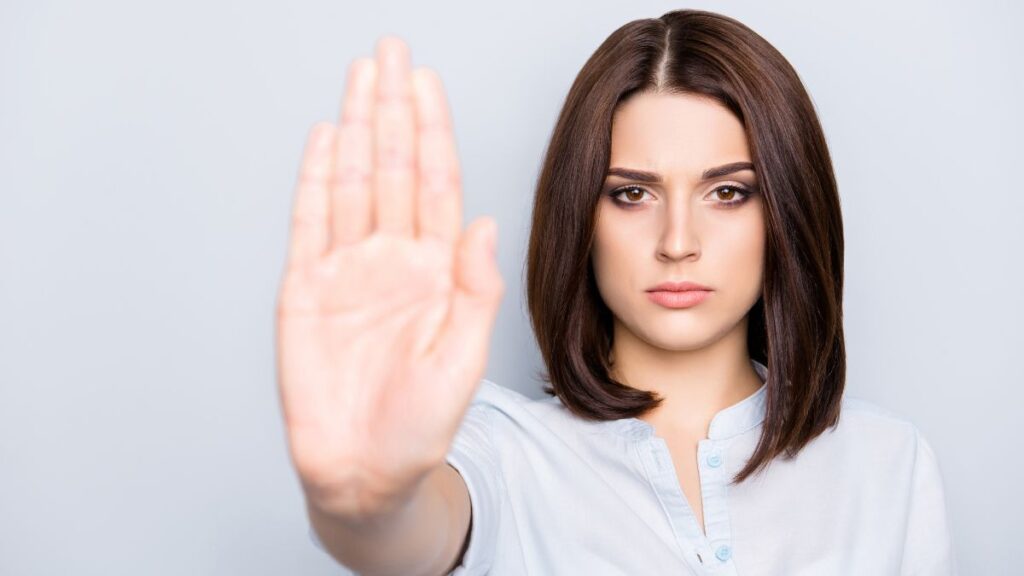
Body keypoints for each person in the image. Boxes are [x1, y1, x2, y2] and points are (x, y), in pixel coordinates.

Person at [275, 8, 957, 576]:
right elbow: (413, 534)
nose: (677, 240)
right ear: (583, 217)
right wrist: (366, 507)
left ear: (784, 211)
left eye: (727, 192)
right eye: (633, 194)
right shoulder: (503, 454)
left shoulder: (887, 463)